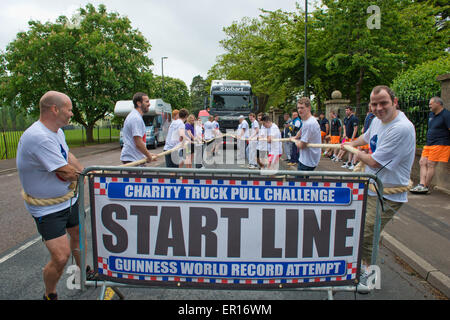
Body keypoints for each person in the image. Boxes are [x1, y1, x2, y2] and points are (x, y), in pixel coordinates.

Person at [16, 91, 88, 300]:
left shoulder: (56, 131)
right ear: (55, 109)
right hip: (48, 209)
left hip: (69, 201)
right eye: (69, 109)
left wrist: (86, 171)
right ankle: (50, 294)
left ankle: (82, 273)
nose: (72, 113)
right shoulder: (39, 137)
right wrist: (86, 177)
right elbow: (65, 173)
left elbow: (69, 156)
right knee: (60, 256)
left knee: (78, 236)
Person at [342, 85, 416, 287]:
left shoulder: (401, 128)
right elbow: (366, 138)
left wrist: (355, 153)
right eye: (374, 104)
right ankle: (362, 265)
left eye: (383, 103)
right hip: (372, 187)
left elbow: (374, 162)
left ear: (395, 102)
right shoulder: (376, 121)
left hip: (387, 194)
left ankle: (369, 277)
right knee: (360, 230)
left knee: (367, 234)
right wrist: (349, 143)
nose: (378, 108)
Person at [410, 97, 450, 194]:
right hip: (429, 143)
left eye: (431, 104)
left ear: (438, 104)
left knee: (431, 164)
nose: (429, 106)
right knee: (422, 162)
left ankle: (425, 186)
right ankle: (421, 184)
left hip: (440, 143)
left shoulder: (446, 114)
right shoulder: (431, 114)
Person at [120, 92, 156, 165]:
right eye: (146, 102)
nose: (149, 104)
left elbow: (138, 143)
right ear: (139, 103)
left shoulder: (136, 116)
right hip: (133, 159)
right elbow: (138, 142)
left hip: (135, 158)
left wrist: (147, 154)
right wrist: (148, 156)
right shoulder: (136, 118)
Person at [290, 97, 322, 172]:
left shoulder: (309, 123)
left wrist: (294, 140)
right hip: (307, 158)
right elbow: (301, 129)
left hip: (308, 161)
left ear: (309, 108)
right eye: (298, 108)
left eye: (302, 108)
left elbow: (301, 145)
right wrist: (296, 136)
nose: (299, 110)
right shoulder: (307, 120)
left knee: (300, 183)